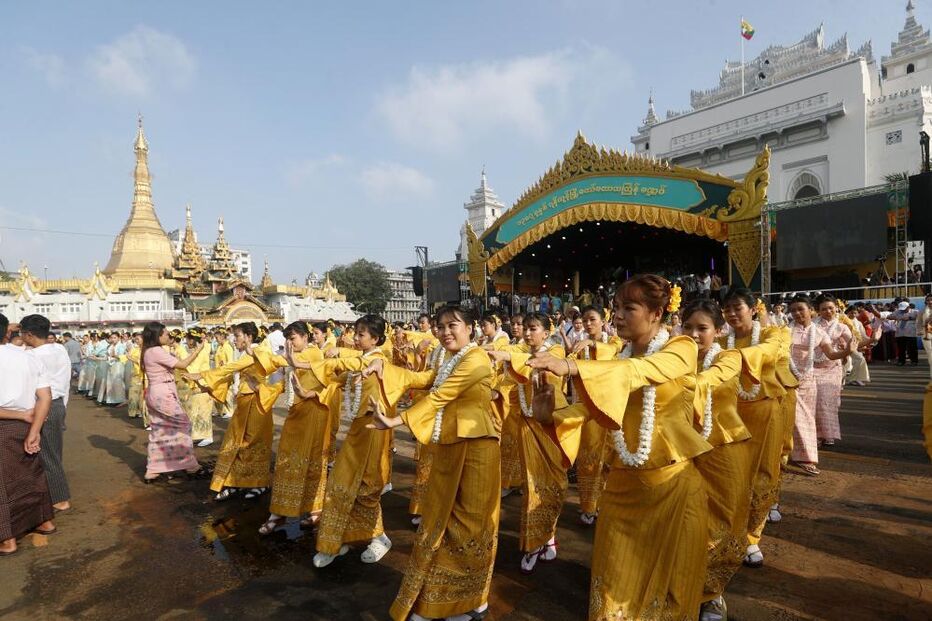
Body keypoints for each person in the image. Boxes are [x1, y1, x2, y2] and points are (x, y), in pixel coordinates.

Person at [527, 275, 711, 620]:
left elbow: (644, 371)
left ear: (657, 313)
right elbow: (591, 408)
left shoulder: (680, 348)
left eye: (630, 307)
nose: (619, 316)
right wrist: (549, 416)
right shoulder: (620, 355)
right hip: (623, 485)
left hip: (671, 485)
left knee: (670, 588)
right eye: (617, 308)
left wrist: (572, 365)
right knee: (613, 582)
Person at [362, 305, 499, 621]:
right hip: (450, 443)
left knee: (471, 522)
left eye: (453, 325)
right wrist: (388, 370)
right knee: (445, 518)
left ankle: (472, 599)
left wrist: (396, 420)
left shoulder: (476, 359)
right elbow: (426, 379)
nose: (446, 331)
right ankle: (444, 596)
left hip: (478, 446)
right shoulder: (450, 359)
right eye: (440, 326)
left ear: (471, 327)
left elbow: (441, 395)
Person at [680, 299, 751, 620]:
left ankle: (712, 594)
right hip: (683, 452)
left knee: (721, 521)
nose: (694, 334)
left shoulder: (729, 356)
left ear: (718, 330)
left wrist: (683, 380)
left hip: (724, 450)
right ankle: (681, 587)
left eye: (702, 328)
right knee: (685, 523)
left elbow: (712, 379)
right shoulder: (672, 360)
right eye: (688, 328)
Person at [487, 312, 568, 574]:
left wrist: (509, 356)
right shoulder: (517, 350)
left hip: (551, 427)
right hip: (526, 427)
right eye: (527, 329)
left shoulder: (554, 351)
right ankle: (535, 543)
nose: (529, 333)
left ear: (546, 332)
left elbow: (539, 364)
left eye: (534, 329)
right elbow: (506, 380)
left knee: (553, 484)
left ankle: (549, 535)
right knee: (532, 485)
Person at [720, 288, 786, 568]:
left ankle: (752, 537)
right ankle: (730, 530)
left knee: (763, 473)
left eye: (738, 308)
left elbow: (769, 351)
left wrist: (735, 357)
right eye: (727, 310)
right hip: (730, 413)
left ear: (753, 309)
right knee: (733, 475)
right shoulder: (722, 341)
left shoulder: (774, 334)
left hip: (765, 410)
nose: (733, 314)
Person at [187, 322, 282, 500]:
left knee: (253, 443)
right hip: (244, 402)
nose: (234, 339)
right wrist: (206, 387)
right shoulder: (245, 353)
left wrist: (201, 375)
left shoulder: (257, 352)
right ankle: (236, 482)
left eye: (237, 336)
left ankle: (260, 483)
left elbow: (229, 369)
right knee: (237, 443)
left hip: (258, 402)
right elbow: (230, 375)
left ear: (248, 336)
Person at [253, 321, 331, 534]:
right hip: (296, 413)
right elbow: (284, 371)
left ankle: (315, 509)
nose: (290, 343)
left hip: (314, 412)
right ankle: (278, 512)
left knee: (313, 460)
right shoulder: (294, 356)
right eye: (287, 339)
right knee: (287, 460)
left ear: (306, 337)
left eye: (293, 338)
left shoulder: (314, 354)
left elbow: (295, 363)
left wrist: (278, 359)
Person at [0, 311, 56, 556]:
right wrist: (34, 429)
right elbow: (45, 397)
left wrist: (22, 417)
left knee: (4, 484)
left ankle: (7, 538)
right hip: (30, 421)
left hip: (8, 423)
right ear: (7, 332)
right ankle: (43, 521)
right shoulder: (28, 357)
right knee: (31, 474)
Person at [565, 305, 622, 525]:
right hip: (588, 409)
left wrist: (592, 343)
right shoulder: (580, 345)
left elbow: (612, 357)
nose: (588, 324)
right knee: (588, 459)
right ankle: (588, 506)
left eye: (592, 320)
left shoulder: (614, 342)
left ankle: (607, 503)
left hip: (610, 407)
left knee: (610, 458)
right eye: (585, 320)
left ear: (603, 320)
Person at [787, 295, 850, 475]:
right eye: (793, 310)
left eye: (801, 309)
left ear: (810, 311)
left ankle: (803, 456)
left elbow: (831, 354)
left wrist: (847, 350)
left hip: (808, 380)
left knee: (806, 419)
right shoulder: (784, 331)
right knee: (795, 418)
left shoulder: (819, 332)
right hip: (787, 379)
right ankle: (802, 457)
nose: (797, 313)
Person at [139, 322, 205, 483]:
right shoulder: (155, 351)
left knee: (160, 429)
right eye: (166, 334)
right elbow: (182, 365)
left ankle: (154, 469)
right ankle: (189, 465)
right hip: (162, 394)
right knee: (183, 425)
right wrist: (199, 349)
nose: (169, 336)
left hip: (157, 393)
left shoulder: (150, 351)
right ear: (158, 336)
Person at [19, 315, 73, 512]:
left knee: (47, 454)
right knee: (52, 452)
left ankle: (59, 498)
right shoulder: (59, 349)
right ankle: (50, 492)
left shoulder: (31, 357)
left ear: (30, 334)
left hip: (43, 406)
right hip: (58, 403)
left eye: (22, 333)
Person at [182, 328, 214, 447]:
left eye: (187, 339)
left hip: (202, 382)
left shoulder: (202, 351)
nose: (186, 341)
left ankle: (207, 436)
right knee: (196, 410)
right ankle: (200, 435)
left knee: (204, 410)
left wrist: (184, 370)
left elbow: (194, 367)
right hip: (196, 382)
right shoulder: (197, 350)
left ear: (192, 340)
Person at [890, 300, 919, 366]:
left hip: (911, 333)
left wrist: (910, 318)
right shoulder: (897, 312)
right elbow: (889, 316)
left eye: (905, 308)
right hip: (900, 333)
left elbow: (921, 317)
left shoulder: (915, 312)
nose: (903, 310)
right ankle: (901, 361)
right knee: (901, 348)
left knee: (912, 348)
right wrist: (897, 317)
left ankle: (914, 361)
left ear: (908, 307)